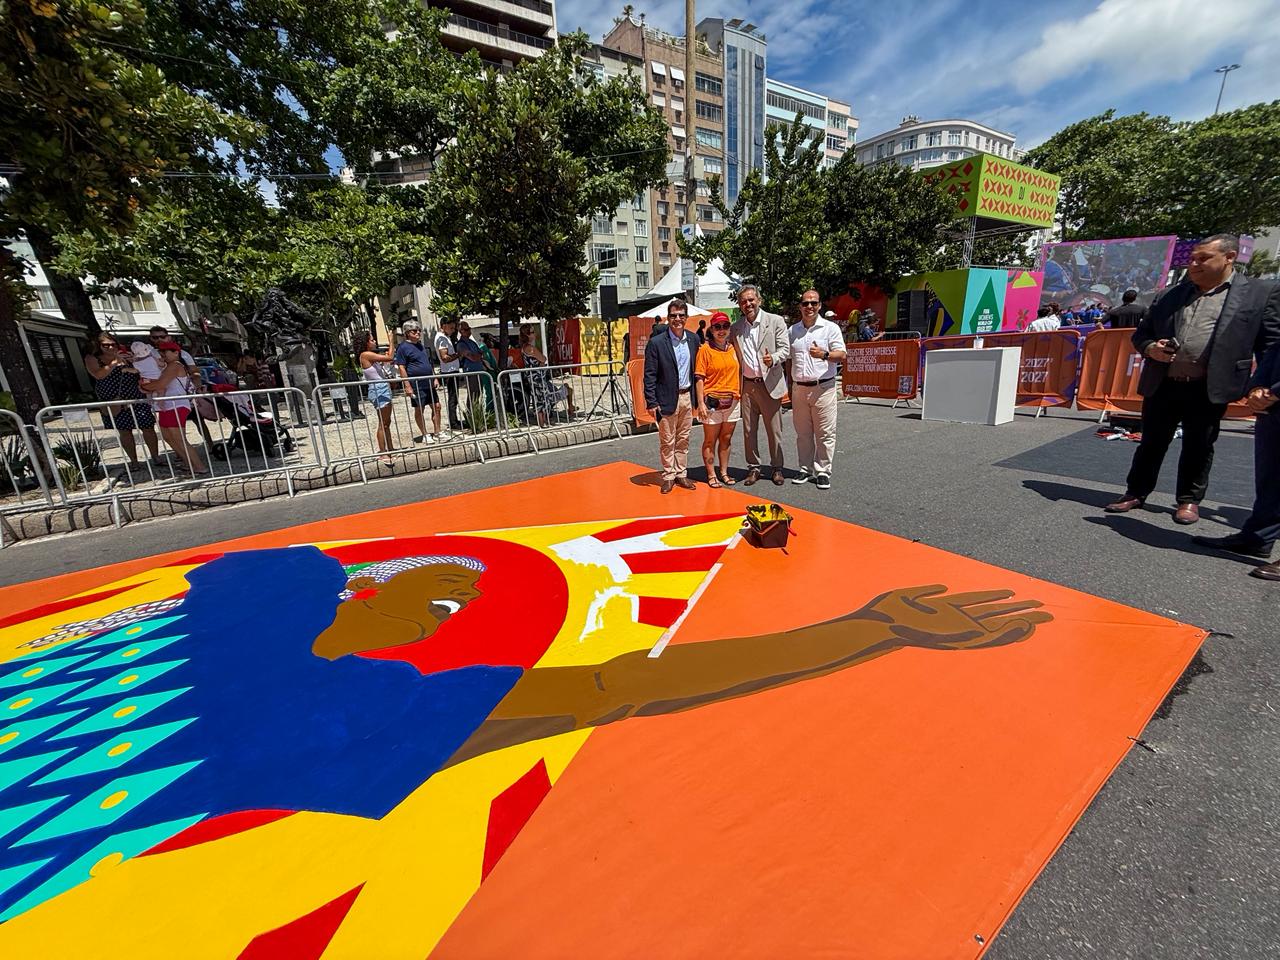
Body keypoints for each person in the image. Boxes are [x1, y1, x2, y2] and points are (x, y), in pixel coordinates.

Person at [0, 535, 1051, 932]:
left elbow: (611, 684)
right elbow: (612, 684)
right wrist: (872, 628)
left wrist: (863, 629)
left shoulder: (312, 639)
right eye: (435, 598)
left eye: (448, 614)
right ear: (368, 584)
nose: (436, 624)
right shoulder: (349, 691)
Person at [1105, 234, 1280, 524]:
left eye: (1203, 258)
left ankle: (1188, 500)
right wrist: (1151, 348)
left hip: (1209, 387)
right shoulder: (1170, 294)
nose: (1194, 264)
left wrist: (1263, 384)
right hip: (1164, 383)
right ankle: (1135, 492)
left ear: (1229, 257)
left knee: (1199, 445)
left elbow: (1271, 345)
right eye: (1192, 258)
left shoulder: (1258, 294)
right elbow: (1142, 334)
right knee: (1151, 442)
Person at [1192, 336, 1280, 580]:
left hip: (1274, 398)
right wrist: (1257, 387)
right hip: (1272, 408)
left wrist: (1275, 391)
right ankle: (1257, 537)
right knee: (1270, 477)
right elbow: (1275, 350)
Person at [730, 284, 790, 486]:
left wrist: (773, 358)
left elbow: (785, 350)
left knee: (774, 430)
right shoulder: (736, 328)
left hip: (769, 383)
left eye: (751, 300)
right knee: (749, 430)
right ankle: (754, 467)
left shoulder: (775, 321)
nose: (748, 304)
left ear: (759, 300)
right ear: (740, 305)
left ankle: (777, 468)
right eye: (743, 301)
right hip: (747, 385)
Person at [787, 289, 846, 490]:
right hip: (799, 388)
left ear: (820, 305)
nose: (809, 307)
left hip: (823, 387)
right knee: (802, 433)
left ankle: (823, 471)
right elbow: (789, 360)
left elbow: (842, 355)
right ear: (800, 306)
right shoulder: (793, 331)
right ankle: (805, 468)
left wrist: (824, 354)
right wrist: (790, 385)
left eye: (813, 303)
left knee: (825, 432)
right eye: (805, 303)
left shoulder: (830, 328)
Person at [643, 298, 700, 494]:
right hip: (666, 398)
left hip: (687, 396)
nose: (677, 319)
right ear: (668, 318)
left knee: (683, 438)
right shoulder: (656, 343)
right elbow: (649, 375)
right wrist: (651, 401)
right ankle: (668, 475)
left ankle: (681, 473)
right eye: (673, 315)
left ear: (686, 317)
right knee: (667, 440)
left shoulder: (693, 339)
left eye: (681, 315)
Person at [82, 333, 160, 468]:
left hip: (136, 395)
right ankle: (134, 462)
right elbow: (98, 375)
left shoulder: (126, 354)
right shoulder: (92, 358)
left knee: (148, 426)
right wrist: (114, 362)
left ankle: (156, 457)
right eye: (106, 345)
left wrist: (134, 359)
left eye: (113, 344)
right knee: (124, 430)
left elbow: (142, 368)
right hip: (113, 399)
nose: (110, 347)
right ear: (98, 345)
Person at [140, 339, 208, 476]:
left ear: (176, 352)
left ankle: (199, 466)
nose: (162, 354)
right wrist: (147, 386)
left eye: (165, 352)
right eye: (161, 352)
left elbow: (160, 384)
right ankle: (189, 464)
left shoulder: (175, 365)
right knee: (168, 437)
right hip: (167, 405)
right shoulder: (167, 366)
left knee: (179, 438)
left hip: (176, 405)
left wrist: (145, 386)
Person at [695, 311, 741, 488]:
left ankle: (724, 472)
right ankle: (711, 474)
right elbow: (699, 378)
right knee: (710, 440)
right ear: (711, 330)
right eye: (717, 327)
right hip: (712, 401)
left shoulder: (734, 348)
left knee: (726, 438)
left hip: (732, 400)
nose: (721, 330)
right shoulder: (705, 350)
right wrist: (700, 403)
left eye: (725, 326)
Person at [394, 321, 443, 443]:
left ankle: (437, 432)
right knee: (419, 409)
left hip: (428, 382)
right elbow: (401, 367)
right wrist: (407, 385)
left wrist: (434, 377)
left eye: (419, 330)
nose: (418, 333)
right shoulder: (403, 347)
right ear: (407, 333)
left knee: (437, 406)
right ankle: (425, 434)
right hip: (416, 383)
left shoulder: (421, 346)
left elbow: (428, 363)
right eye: (414, 331)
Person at [519, 323, 575, 427]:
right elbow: (543, 359)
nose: (535, 334)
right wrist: (541, 362)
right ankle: (544, 422)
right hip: (538, 378)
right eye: (532, 332)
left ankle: (542, 422)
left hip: (532, 378)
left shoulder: (524, 348)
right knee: (543, 399)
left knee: (538, 400)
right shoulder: (531, 348)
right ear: (527, 335)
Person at [357, 330, 397, 465]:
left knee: (387, 422)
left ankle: (390, 448)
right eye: (372, 340)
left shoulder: (370, 355)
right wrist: (391, 340)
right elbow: (390, 357)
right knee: (383, 423)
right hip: (378, 390)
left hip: (383, 388)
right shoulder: (365, 355)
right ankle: (383, 452)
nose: (374, 342)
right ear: (366, 342)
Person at [456, 321, 493, 421]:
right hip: (471, 372)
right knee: (473, 395)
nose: (469, 331)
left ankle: (476, 416)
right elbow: (473, 357)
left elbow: (479, 355)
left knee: (478, 394)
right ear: (461, 331)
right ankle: (470, 417)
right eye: (466, 329)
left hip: (479, 371)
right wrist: (479, 354)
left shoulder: (472, 342)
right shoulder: (461, 344)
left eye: (469, 329)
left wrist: (479, 355)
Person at [434, 318, 465, 431]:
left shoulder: (444, 337)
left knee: (454, 397)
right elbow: (445, 358)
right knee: (452, 398)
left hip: (452, 370)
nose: (453, 330)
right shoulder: (441, 339)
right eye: (451, 328)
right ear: (444, 326)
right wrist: (458, 355)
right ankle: (453, 422)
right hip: (449, 371)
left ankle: (454, 420)